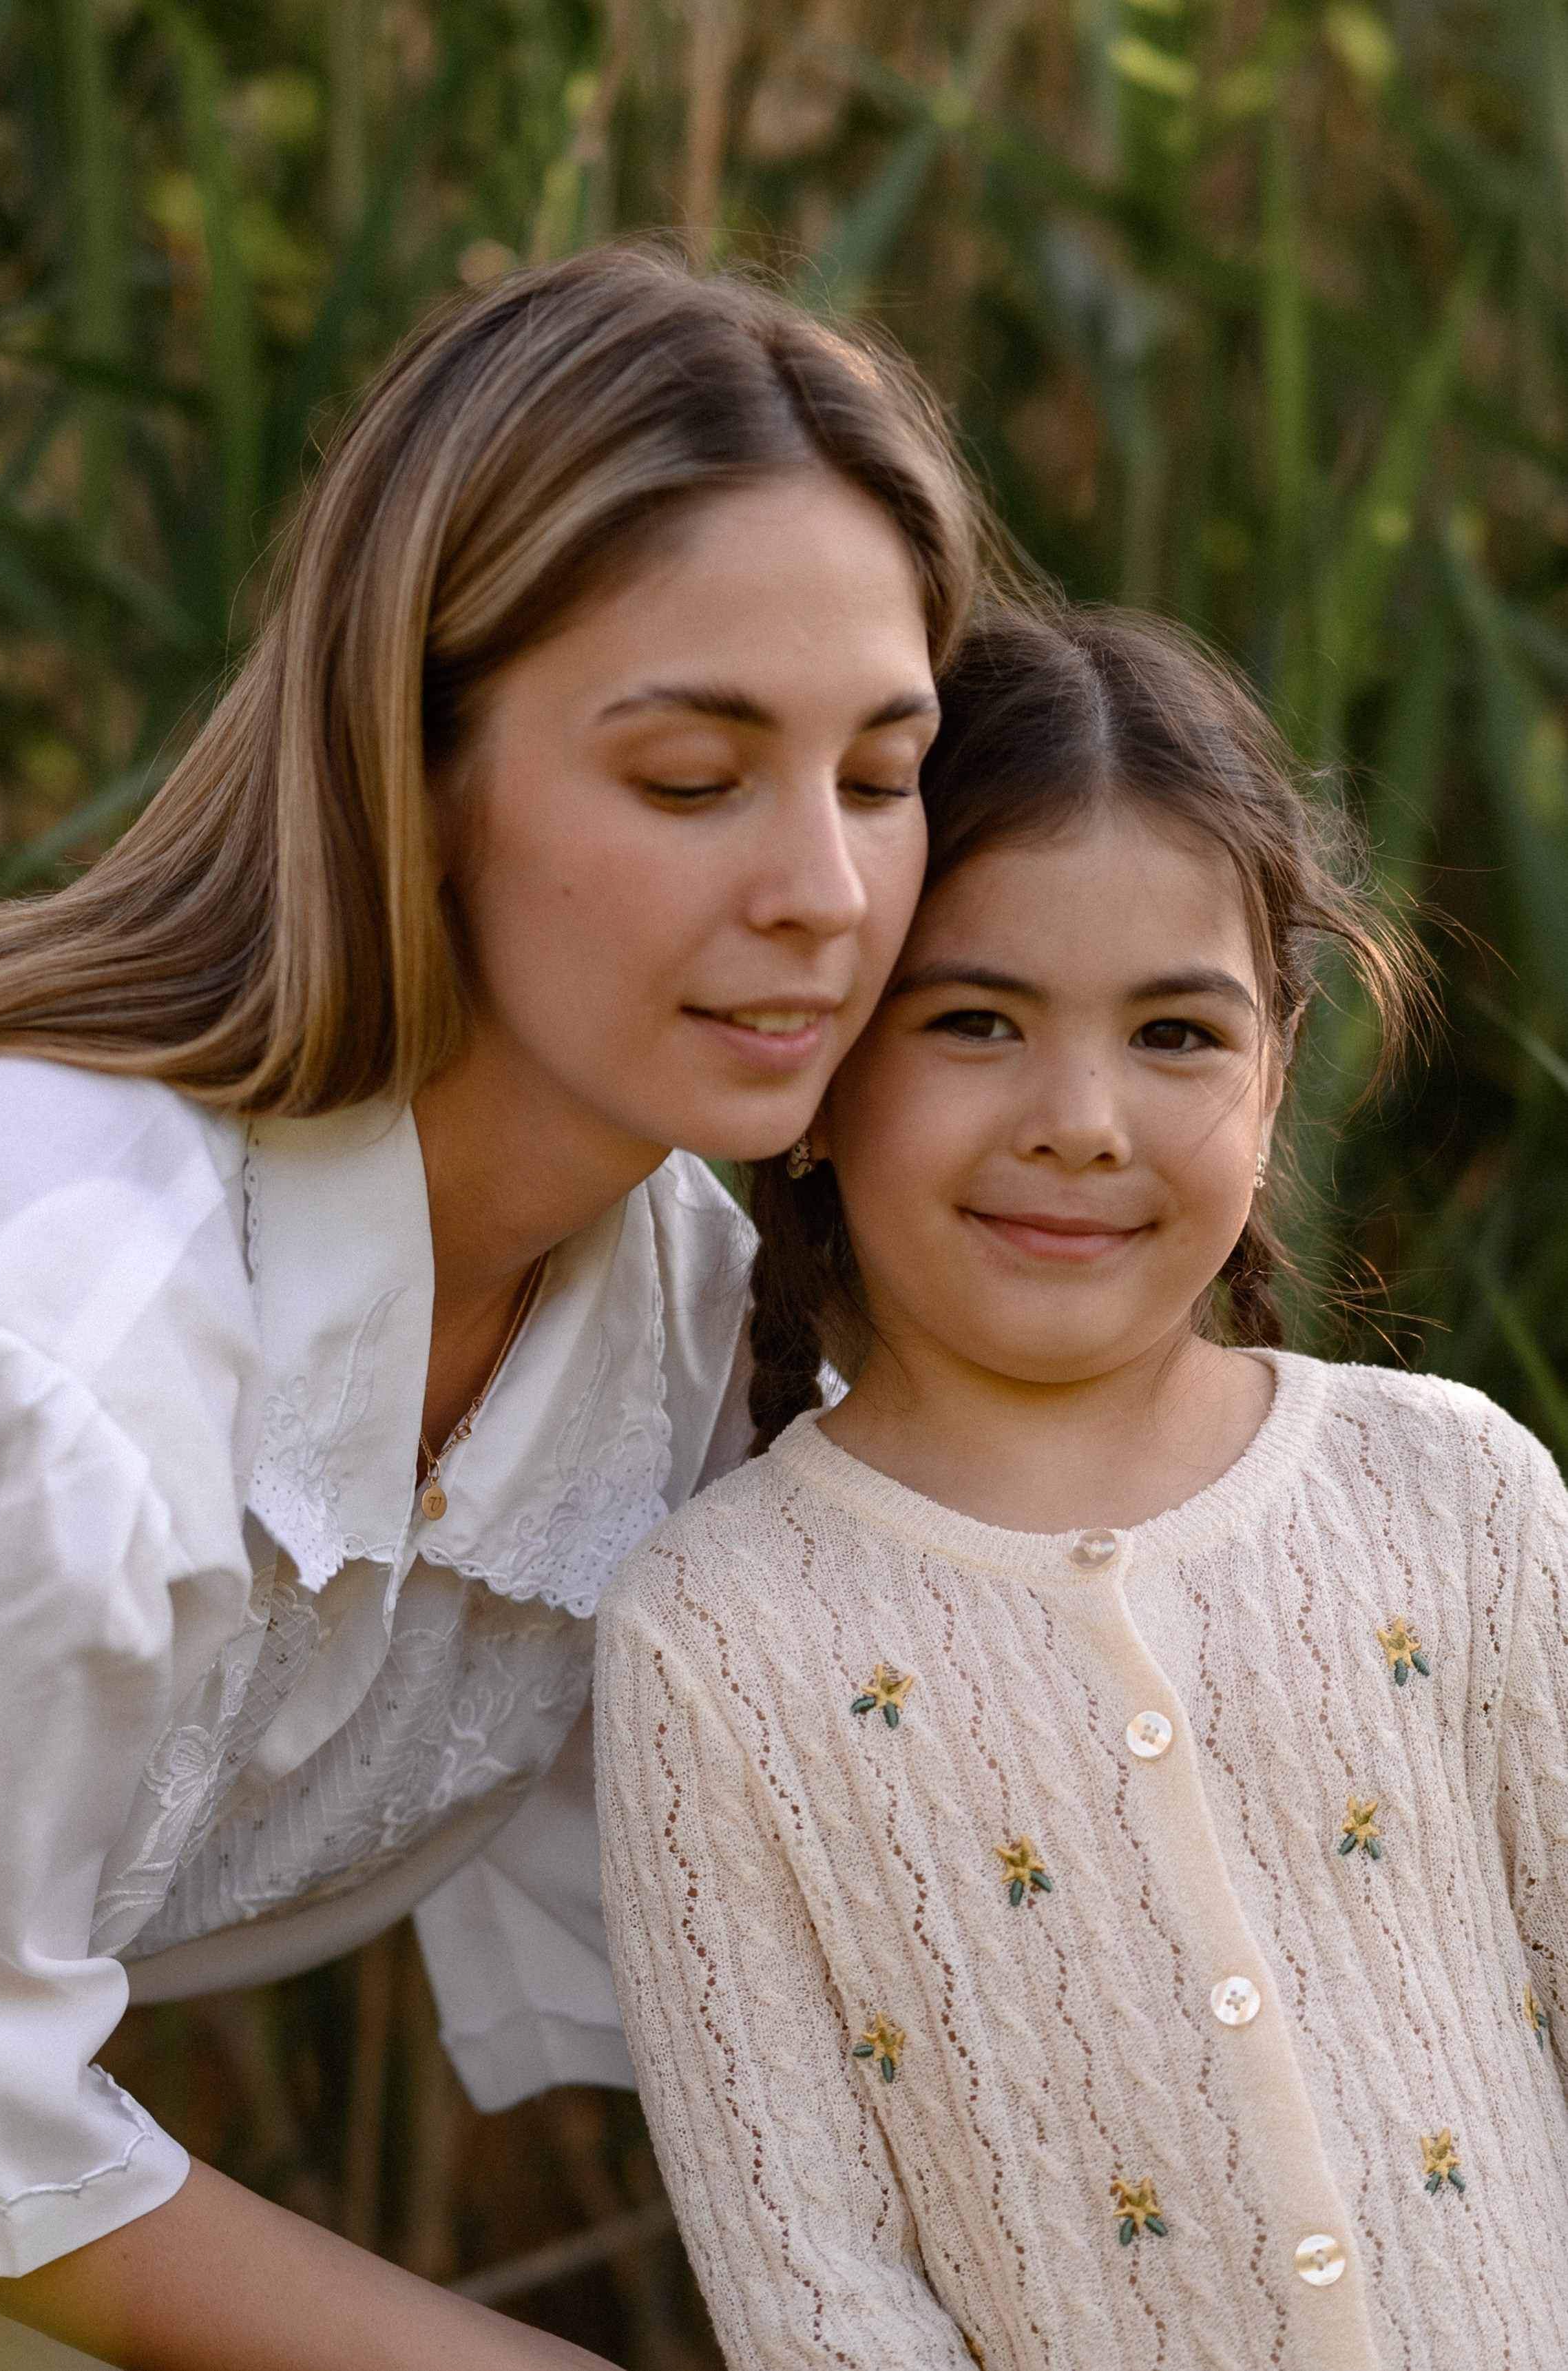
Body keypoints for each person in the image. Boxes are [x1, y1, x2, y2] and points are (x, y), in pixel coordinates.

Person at [0, 245, 979, 2370]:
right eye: (692, 779)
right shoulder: (60, 1348)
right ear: (410, 771)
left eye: (881, 777)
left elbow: (873, 1973)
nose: (820, 891)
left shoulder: (691, 1332)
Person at [596, 606, 1568, 2370]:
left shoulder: (1456, 1497)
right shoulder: (720, 1641)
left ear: (1281, 1060)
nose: (1083, 1118)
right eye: (976, 1019)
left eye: (1175, 1035)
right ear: (817, 1072)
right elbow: (822, 2294)